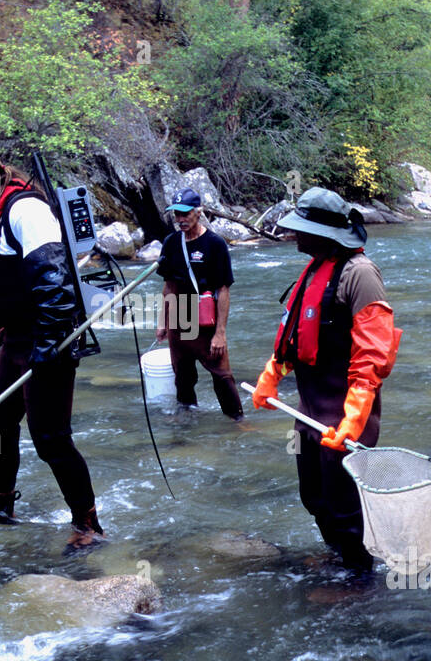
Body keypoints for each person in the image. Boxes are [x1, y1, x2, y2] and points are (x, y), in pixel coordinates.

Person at [0, 145, 103, 550]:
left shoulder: (25, 211)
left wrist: (49, 344)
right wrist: (3, 319)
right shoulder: (2, 210)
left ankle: (88, 524)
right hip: (18, 335)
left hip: (46, 336)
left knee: (50, 436)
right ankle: (0, 505)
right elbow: (19, 281)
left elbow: (54, 279)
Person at [250, 188, 401, 573]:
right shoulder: (315, 267)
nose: (294, 235)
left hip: (346, 412)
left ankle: (360, 582)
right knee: (314, 497)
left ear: (325, 233)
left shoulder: (361, 275)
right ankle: (341, 559)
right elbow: (293, 338)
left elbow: (373, 357)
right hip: (309, 410)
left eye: (302, 229)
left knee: (344, 505)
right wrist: (271, 377)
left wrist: (351, 422)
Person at [153, 189, 244, 420]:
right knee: (182, 377)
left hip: (206, 322)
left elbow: (223, 290)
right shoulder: (171, 243)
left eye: (185, 214)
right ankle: (188, 423)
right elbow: (169, 285)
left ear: (198, 212)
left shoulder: (215, 244)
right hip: (179, 321)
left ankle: (237, 422)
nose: (180, 220)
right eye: (176, 215)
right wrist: (163, 322)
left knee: (222, 376)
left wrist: (220, 334)